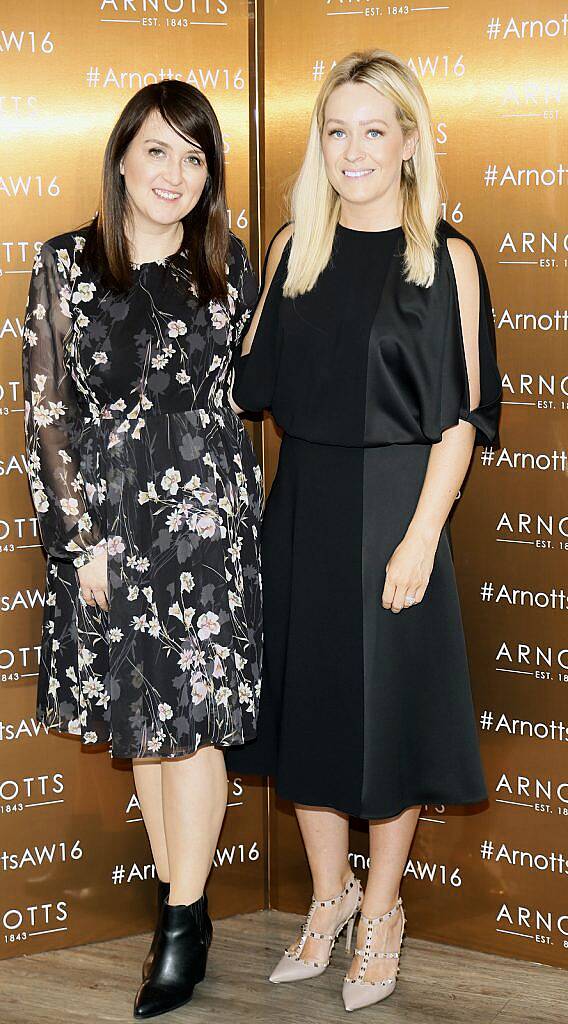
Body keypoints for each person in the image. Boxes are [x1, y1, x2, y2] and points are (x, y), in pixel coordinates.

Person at [227, 49, 502, 1012]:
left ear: (410, 140)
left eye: (373, 129)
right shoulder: (292, 247)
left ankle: (382, 912)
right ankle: (328, 898)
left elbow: (463, 417)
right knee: (306, 713)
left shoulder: (449, 258)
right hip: (302, 502)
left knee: (389, 722)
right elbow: (253, 384)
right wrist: (276, 279)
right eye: (336, 130)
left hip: (401, 505)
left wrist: (424, 533)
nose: (352, 149)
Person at [22, 80, 262, 1019]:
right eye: (158, 150)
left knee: (193, 725)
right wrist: (79, 541)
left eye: (195, 157)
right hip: (114, 526)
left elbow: (250, 390)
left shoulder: (229, 266)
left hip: (209, 520)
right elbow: (47, 414)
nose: (175, 173)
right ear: (122, 155)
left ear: (210, 177)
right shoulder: (66, 263)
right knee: (150, 733)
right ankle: (186, 914)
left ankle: (181, 921)